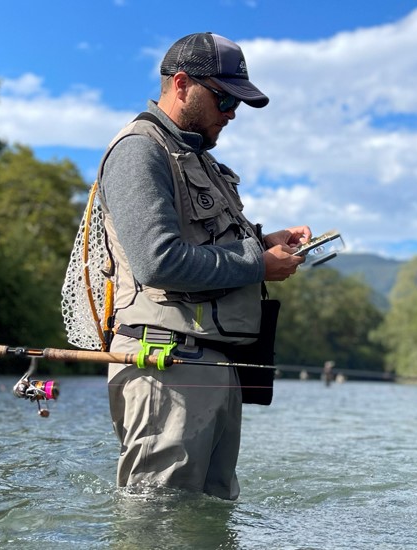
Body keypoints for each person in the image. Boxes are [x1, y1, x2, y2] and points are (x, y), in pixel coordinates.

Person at [98, 32, 310, 500]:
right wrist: (258, 263)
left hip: (211, 366)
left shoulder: (199, 158)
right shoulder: (138, 149)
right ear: (180, 84)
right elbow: (158, 260)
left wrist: (262, 241)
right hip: (165, 367)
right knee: (160, 524)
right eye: (224, 98)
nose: (232, 113)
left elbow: (201, 242)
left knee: (211, 520)